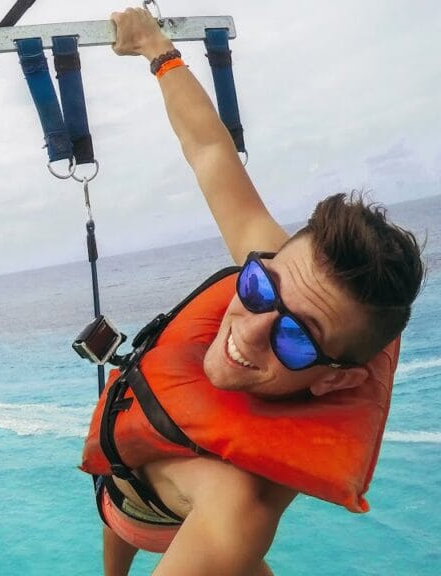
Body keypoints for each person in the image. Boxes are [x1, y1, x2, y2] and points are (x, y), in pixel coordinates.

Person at [80, 8, 425, 576]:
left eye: (296, 336)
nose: (251, 328)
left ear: (337, 377)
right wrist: (155, 49)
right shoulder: (300, 279)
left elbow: (218, 527)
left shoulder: (237, 510)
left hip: (156, 522)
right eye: (260, 288)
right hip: (121, 487)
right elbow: (211, 152)